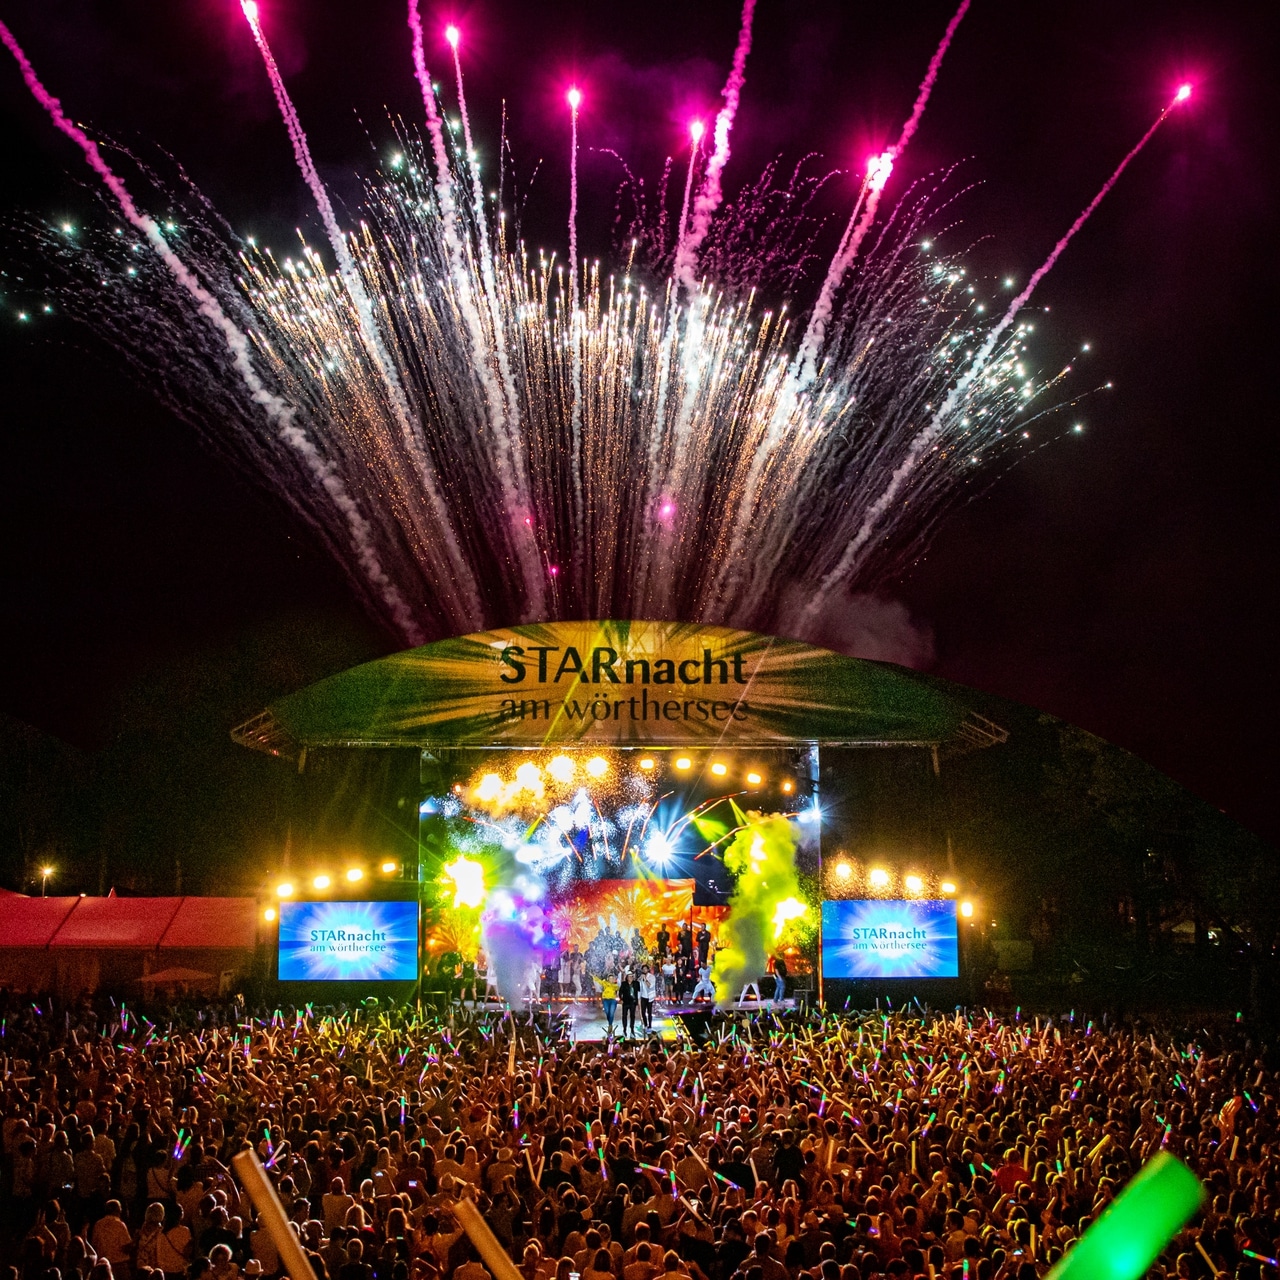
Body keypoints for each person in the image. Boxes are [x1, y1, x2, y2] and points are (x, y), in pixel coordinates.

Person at [595, 970, 619, 1035]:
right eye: (610, 978)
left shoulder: (615, 986)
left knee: (611, 1013)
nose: (611, 979)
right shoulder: (605, 983)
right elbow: (599, 981)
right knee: (607, 1012)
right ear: (608, 979)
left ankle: (610, 1025)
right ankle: (610, 1023)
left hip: (613, 1000)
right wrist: (593, 976)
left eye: (612, 978)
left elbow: (619, 989)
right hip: (605, 1000)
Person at [638, 966, 656, 1031]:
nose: (644, 970)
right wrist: (640, 979)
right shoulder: (641, 977)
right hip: (643, 996)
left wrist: (645, 979)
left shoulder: (652, 977)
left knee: (649, 1012)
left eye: (645, 969)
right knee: (643, 1012)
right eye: (643, 969)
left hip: (649, 997)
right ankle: (645, 1025)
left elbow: (650, 986)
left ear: (648, 969)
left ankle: (650, 1026)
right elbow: (638, 986)